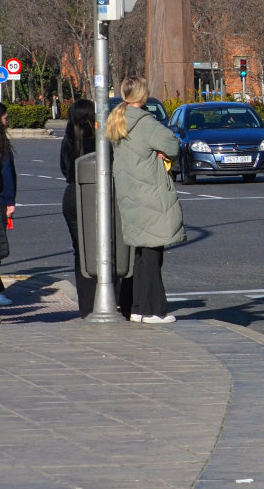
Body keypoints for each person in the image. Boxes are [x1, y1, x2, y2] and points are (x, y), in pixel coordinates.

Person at [105, 77, 184, 324]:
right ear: (143, 96)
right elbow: (172, 143)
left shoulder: (117, 119)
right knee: (153, 252)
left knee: (140, 253)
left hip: (130, 193)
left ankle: (137, 307)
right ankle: (153, 310)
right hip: (149, 192)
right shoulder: (145, 123)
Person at [60, 99, 98, 316]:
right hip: (95, 195)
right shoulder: (97, 138)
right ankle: (107, 299)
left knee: (81, 252)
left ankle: (87, 306)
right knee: (103, 248)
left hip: (72, 195)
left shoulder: (68, 137)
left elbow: (64, 168)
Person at [0, 101, 16, 313]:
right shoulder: (0, 144)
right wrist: (9, 201)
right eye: (4, 117)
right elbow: (6, 176)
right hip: (0, 201)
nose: (7, 120)